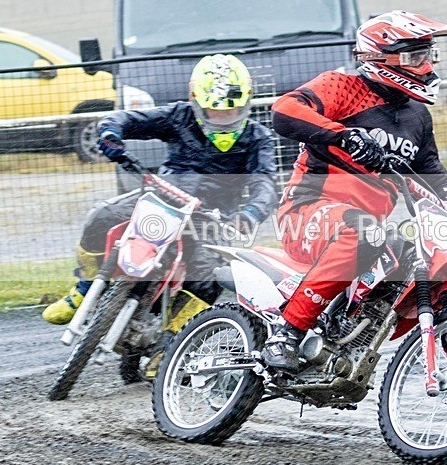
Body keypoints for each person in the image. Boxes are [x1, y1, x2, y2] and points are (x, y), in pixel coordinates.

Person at [267, 10, 447, 441]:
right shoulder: (342, 86)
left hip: (364, 229)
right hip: (308, 210)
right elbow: (284, 111)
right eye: (416, 56)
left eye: (429, 55)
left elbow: (432, 172)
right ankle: (287, 334)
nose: (428, 66)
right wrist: (342, 135)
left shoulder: (417, 116)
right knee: (366, 232)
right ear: (383, 58)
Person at [43, 54, 278, 369]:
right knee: (100, 217)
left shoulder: (258, 138)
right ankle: (83, 289)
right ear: (195, 101)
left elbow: (265, 184)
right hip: (161, 198)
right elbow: (128, 119)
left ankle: (170, 347)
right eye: (213, 112)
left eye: (232, 111)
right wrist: (110, 133)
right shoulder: (179, 116)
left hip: (212, 218)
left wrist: (250, 214)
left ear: (247, 103)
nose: (223, 119)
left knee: (208, 278)